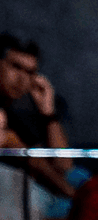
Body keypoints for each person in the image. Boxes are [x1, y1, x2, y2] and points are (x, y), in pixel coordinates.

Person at [0, 36, 74, 198]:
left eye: (30, 72)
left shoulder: (17, 113)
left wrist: (48, 112)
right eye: (15, 67)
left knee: (79, 176)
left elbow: (64, 166)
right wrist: (73, 195)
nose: (22, 79)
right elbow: (34, 160)